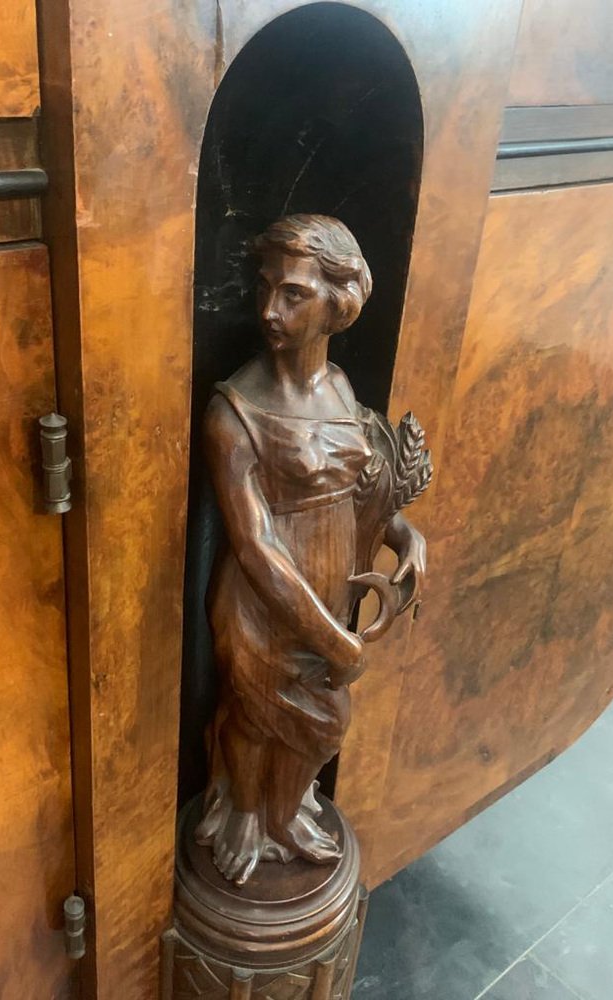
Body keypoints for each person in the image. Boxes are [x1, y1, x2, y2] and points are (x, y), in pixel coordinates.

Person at [196, 214, 426, 886]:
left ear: (339, 300)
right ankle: (242, 813)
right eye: (266, 289)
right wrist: (334, 639)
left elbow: (360, 490)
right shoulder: (232, 412)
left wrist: (404, 535)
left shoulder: (340, 391)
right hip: (261, 599)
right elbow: (256, 546)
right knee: (255, 710)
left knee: (320, 723)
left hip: (329, 587)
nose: (271, 309)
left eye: (293, 294)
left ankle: (285, 811)